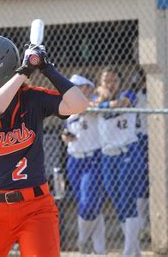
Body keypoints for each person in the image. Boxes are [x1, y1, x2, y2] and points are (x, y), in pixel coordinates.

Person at [0, 35, 89, 257]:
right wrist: (23, 72)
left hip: (35, 209)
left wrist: (45, 67)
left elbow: (79, 104)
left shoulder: (32, 99)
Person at [92, 66, 142, 255]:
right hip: (108, 156)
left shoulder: (128, 94)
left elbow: (122, 103)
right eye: (106, 81)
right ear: (100, 84)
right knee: (118, 203)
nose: (110, 84)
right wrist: (101, 97)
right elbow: (91, 106)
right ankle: (135, 250)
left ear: (119, 83)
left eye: (113, 81)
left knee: (128, 201)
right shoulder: (97, 99)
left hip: (128, 151)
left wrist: (104, 102)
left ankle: (129, 251)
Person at [61, 74, 106, 254]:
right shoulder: (69, 108)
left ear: (88, 87)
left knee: (88, 205)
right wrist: (65, 137)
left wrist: (95, 94)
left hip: (93, 158)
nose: (77, 90)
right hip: (74, 159)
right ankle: (98, 250)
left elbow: (99, 99)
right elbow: (65, 132)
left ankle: (82, 240)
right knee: (88, 205)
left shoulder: (95, 101)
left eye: (81, 86)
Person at [131, 67, 150, 231]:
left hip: (150, 137)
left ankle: (146, 220)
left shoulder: (151, 94)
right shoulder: (135, 96)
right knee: (140, 180)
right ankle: (142, 221)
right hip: (139, 138)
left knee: (151, 179)